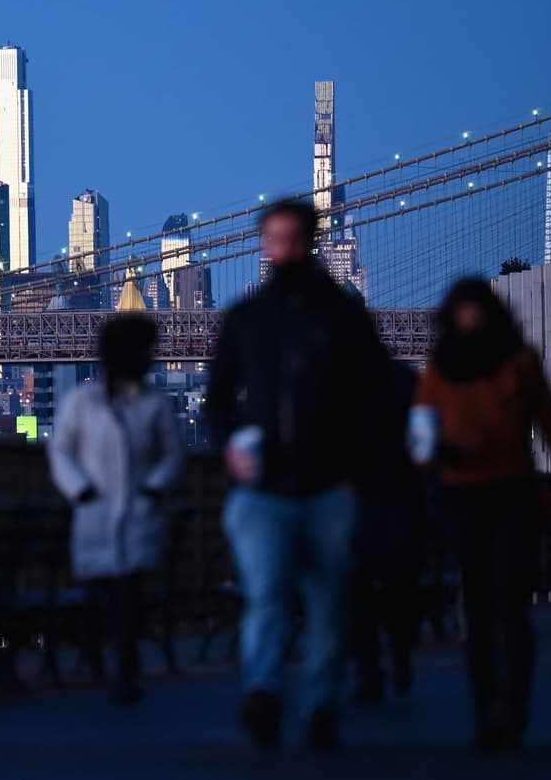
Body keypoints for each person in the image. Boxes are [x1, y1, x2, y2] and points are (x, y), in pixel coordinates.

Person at [205, 198, 390, 752]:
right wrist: (229, 446)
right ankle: (263, 692)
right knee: (266, 595)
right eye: (273, 240)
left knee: (329, 603)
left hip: (331, 486)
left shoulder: (344, 316)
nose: (281, 250)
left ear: (311, 242)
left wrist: (356, 472)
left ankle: (320, 705)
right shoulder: (245, 319)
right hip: (262, 490)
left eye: (291, 239)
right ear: (264, 245)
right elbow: (216, 400)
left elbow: (376, 397)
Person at [411, 277, 551, 753]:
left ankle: (512, 708)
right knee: (478, 610)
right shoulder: (439, 370)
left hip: (514, 498)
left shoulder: (521, 362)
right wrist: (439, 458)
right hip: (463, 500)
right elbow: (419, 439)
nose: (471, 319)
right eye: (463, 310)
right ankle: (485, 711)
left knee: (511, 610)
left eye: (478, 310)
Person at [48, 313, 184, 705]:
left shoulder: (154, 405)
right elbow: (61, 452)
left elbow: (172, 455)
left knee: (129, 597)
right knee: (101, 597)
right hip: (95, 516)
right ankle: (102, 663)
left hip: (138, 515)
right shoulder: (81, 402)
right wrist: (81, 490)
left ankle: (123, 670)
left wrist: (153, 490)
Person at [351, 360, 425, 705]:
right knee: (401, 586)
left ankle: (369, 668)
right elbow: (425, 440)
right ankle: (399, 655)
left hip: (354, 498)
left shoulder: (332, 377)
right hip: (402, 496)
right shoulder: (404, 379)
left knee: (356, 588)